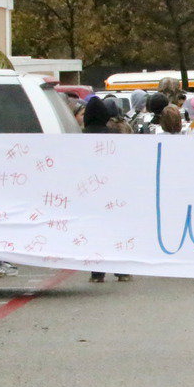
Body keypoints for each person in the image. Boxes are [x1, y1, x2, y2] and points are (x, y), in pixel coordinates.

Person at [80, 98, 130, 282]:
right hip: (112, 193)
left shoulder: (78, 138)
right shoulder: (114, 137)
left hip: (89, 194)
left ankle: (97, 272)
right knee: (115, 231)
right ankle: (122, 270)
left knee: (95, 233)